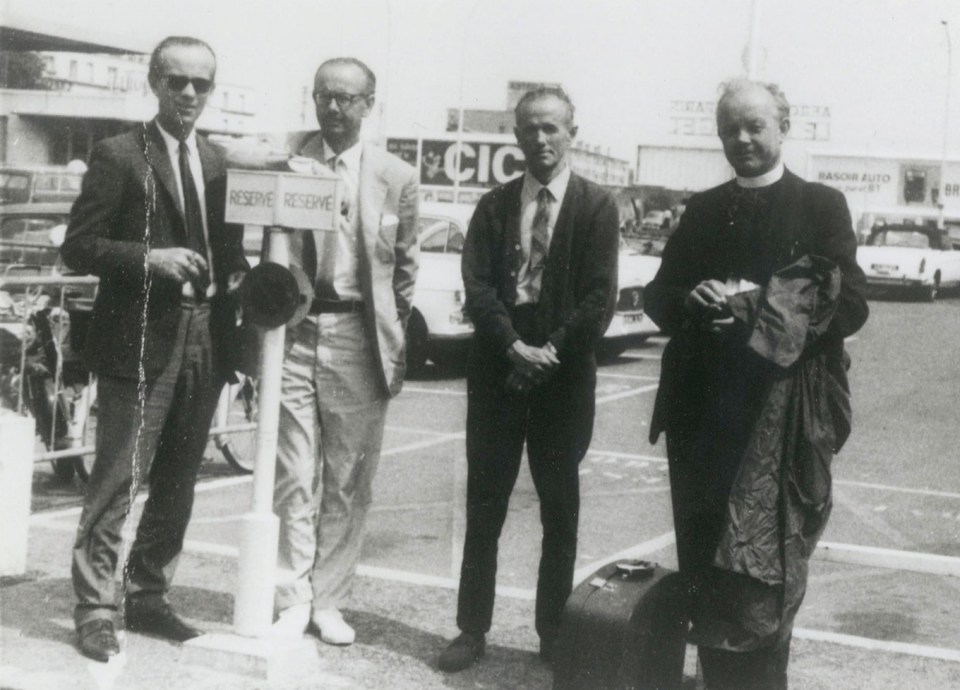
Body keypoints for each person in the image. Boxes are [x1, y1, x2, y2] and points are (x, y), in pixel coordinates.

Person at [645, 79, 869, 689]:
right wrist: (691, 299)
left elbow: (849, 304)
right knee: (704, 569)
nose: (741, 139)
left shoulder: (821, 206)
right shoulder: (704, 208)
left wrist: (756, 305)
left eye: (754, 126)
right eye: (728, 130)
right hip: (700, 419)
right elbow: (658, 295)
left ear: (784, 125)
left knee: (766, 574)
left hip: (778, 419)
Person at [61, 36, 248, 662]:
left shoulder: (221, 161)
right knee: (118, 476)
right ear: (154, 82)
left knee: (178, 477)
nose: (190, 94)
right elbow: (79, 247)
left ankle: (147, 595)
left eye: (202, 84)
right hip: (140, 335)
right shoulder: (119, 154)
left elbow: (232, 254)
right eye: (177, 81)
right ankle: (94, 607)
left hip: (206, 334)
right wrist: (150, 258)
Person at [438, 87, 620, 672]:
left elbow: (598, 299)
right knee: (484, 507)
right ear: (515, 136)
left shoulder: (596, 206)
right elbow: (480, 287)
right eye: (529, 130)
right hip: (497, 372)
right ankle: (471, 627)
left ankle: (551, 631)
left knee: (558, 510)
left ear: (572, 131)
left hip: (562, 382)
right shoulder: (493, 206)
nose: (540, 140)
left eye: (551, 129)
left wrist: (547, 354)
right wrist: (514, 347)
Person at [270, 57, 419, 646]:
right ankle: (290, 595)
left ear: (369, 103)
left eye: (346, 99)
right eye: (323, 96)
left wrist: (391, 334)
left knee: (348, 479)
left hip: (359, 336)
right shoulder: (289, 157)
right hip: (295, 328)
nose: (333, 108)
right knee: (292, 472)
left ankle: (329, 600)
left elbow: (404, 268)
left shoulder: (396, 175)